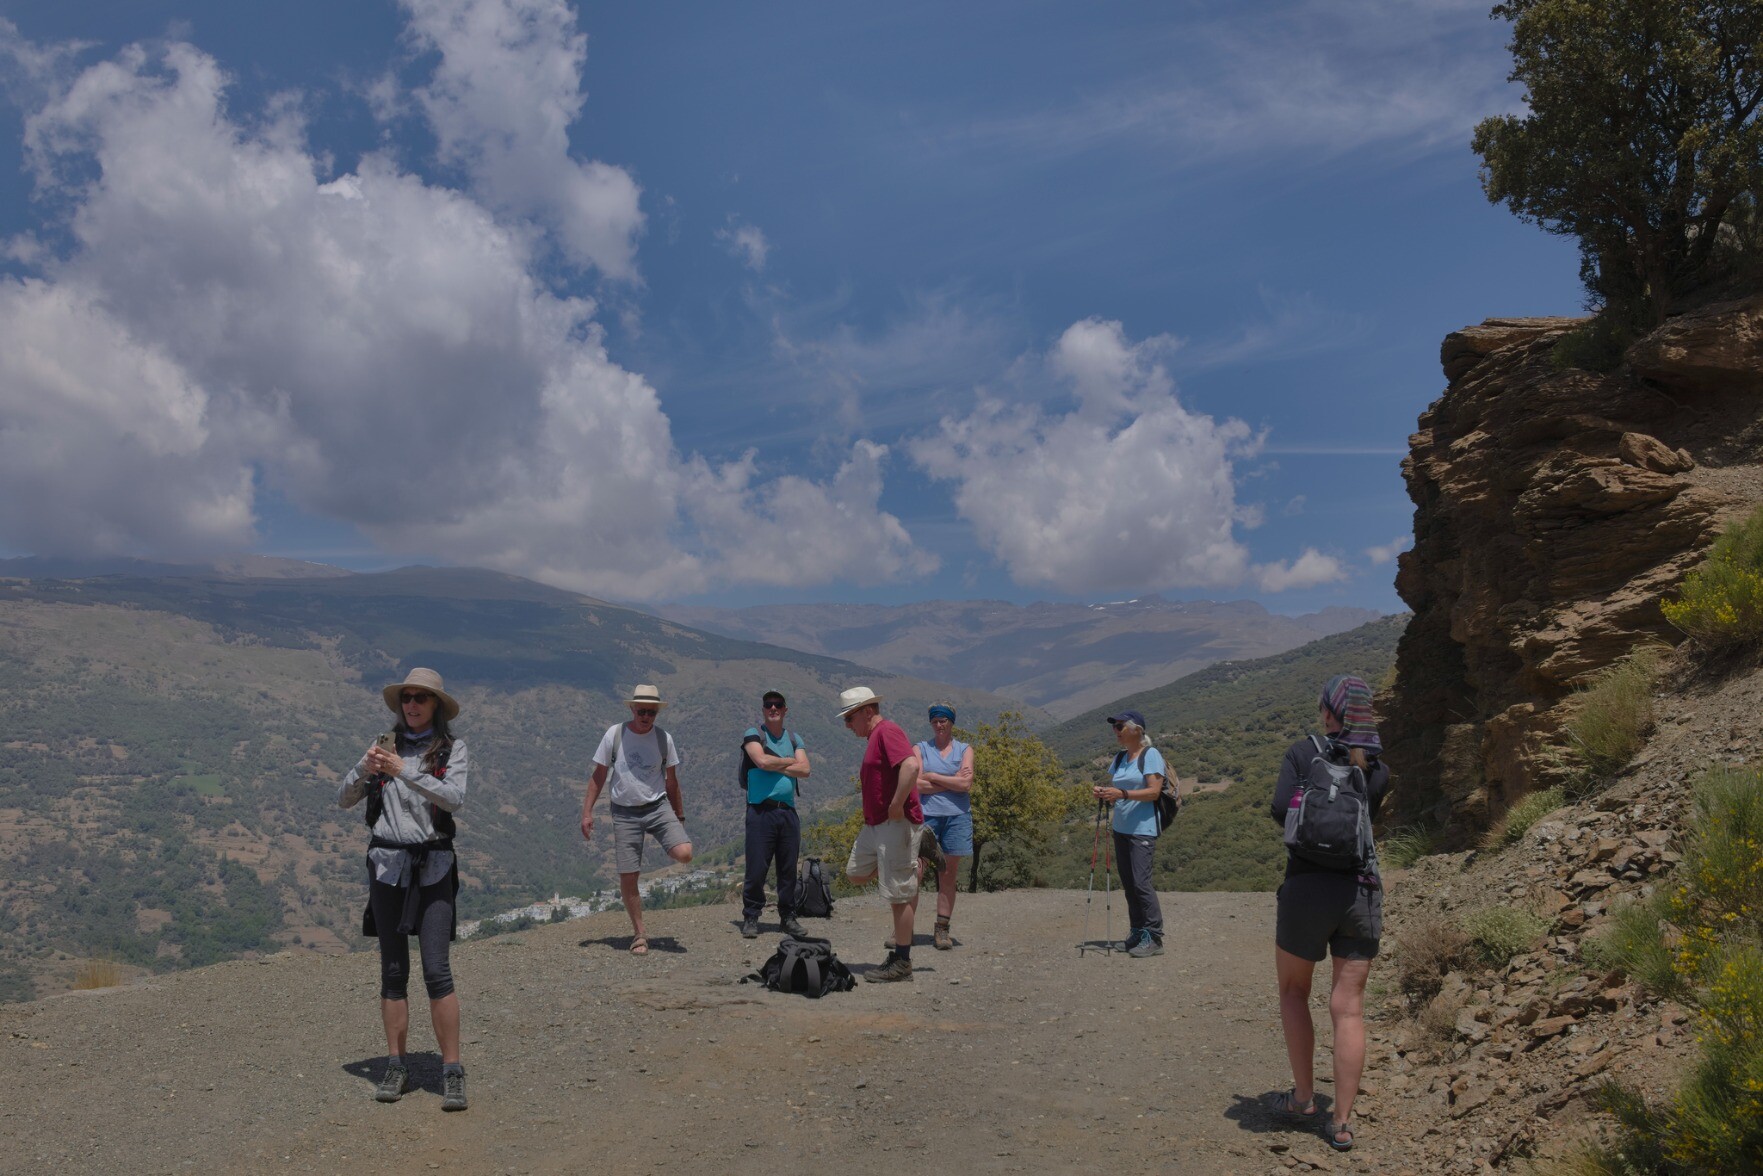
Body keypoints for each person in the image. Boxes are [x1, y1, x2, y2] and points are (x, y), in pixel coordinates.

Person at [336, 667, 470, 1111]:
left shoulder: (452, 750)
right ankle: (397, 1065)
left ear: (435, 706)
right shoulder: (382, 747)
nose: (411, 704)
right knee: (393, 972)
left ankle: (451, 1070)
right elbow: (344, 798)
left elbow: (453, 799)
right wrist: (365, 766)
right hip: (388, 866)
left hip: (432, 866)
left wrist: (403, 772)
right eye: (406, 697)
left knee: (437, 971)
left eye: (421, 698)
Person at [1268, 675, 1391, 1153]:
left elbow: (1281, 810)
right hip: (1359, 893)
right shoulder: (1379, 769)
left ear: (1328, 711)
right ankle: (1341, 1122)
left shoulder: (1303, 753)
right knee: (1349, 1008)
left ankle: (1303, 1099)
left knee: (1294, 991)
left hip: (1304, 888)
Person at [580, 684, 693, 955]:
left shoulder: (664, 739)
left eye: (651, 712)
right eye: (641, 711)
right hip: (625, 812)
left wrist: (679, 815)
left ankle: (667, 843)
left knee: (685, 853)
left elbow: (672, 781)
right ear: (632, 709)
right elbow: (598, 775)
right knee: (629, 875)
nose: (646, 716)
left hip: (657, 806)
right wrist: (587, 812)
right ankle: (640, 933)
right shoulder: (615, 734)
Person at [838, 686, 924, 982]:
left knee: (898, 895)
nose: (848, 725)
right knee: (854, 873)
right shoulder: (875, 736)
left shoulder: (887, 731)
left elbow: (911, 765)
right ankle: (910, 863)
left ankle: (902, 963)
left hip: (894, 824)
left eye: (850, 718)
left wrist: (897, 803)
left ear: (867, 712)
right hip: (876, 825)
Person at [1090, 709, 1168, 958]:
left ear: (1137, 729)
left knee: (1141, 883)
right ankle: (1137, 930)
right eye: (1114, 726)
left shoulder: (1151, 755)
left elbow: (1154, 792)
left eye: (1120, 726)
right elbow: (1118, 789)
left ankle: (1154, 936)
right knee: (1129, 885)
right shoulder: (1121, 758)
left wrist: (1121, 794)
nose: (1115, 730)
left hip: (1142, 829)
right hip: (1122, 828)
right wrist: (1106, 792)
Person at [739, 690, 811, 939]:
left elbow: (806, 770)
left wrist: (777, 761)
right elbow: (761, 762)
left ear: (785, 709)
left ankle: (788, 917)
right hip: (761, 811)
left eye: (778, 704)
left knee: (788, 868)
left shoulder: (793, 737)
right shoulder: (753, 734)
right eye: (768, 705)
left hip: (788, 812)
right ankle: (751, 915)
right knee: (757, 867)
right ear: (763, 709)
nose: (773, 708)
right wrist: (790, 762)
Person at [912, 702, 973, 950]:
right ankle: (903, 927)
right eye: (935, 720)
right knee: (915, 871)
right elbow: (915, 784)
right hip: (927, 817)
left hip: (957, 816)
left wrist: (933, 777)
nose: (939, 725)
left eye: (943, 720)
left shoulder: (965, 749)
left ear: (951, 723)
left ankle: (942, 929)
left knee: (947, 874)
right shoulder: (920, 748)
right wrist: (952, 781)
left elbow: (966, 784)